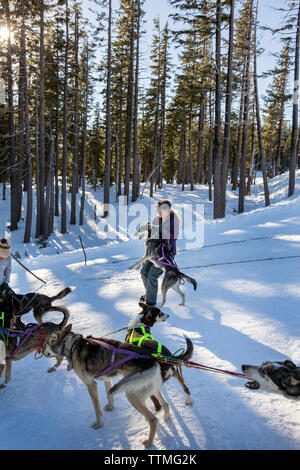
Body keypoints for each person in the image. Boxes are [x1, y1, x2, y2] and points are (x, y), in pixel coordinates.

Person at [140, 200, 180, 306]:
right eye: (158, 209)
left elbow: (173, 236)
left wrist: (161, 229)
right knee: (144, 272)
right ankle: (149, 294)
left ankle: (151, 303)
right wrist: (146, 235)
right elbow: (153, 233)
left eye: (161, 209)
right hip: (154, 252)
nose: (159, 212)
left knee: (152, 275)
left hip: (166, 254)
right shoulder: (157, 219)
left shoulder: (173, 220)